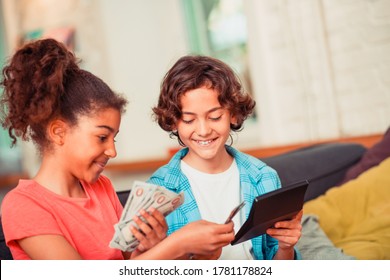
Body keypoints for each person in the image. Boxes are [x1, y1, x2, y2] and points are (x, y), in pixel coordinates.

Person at [0, 39, 234, 260]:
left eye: (114, 138)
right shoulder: (23, 205)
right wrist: (177, 245)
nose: (112, 151)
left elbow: (128, 265)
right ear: (59, 132)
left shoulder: (101, 188)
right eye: (102, 137)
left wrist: (156, 246)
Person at [148, 55, 303, 260]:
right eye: (189, 119)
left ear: (233, 114)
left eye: (215, 117)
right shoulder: (159, 189)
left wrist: (285, 247)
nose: (203, 130)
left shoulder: (264, 177)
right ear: (174, 122)